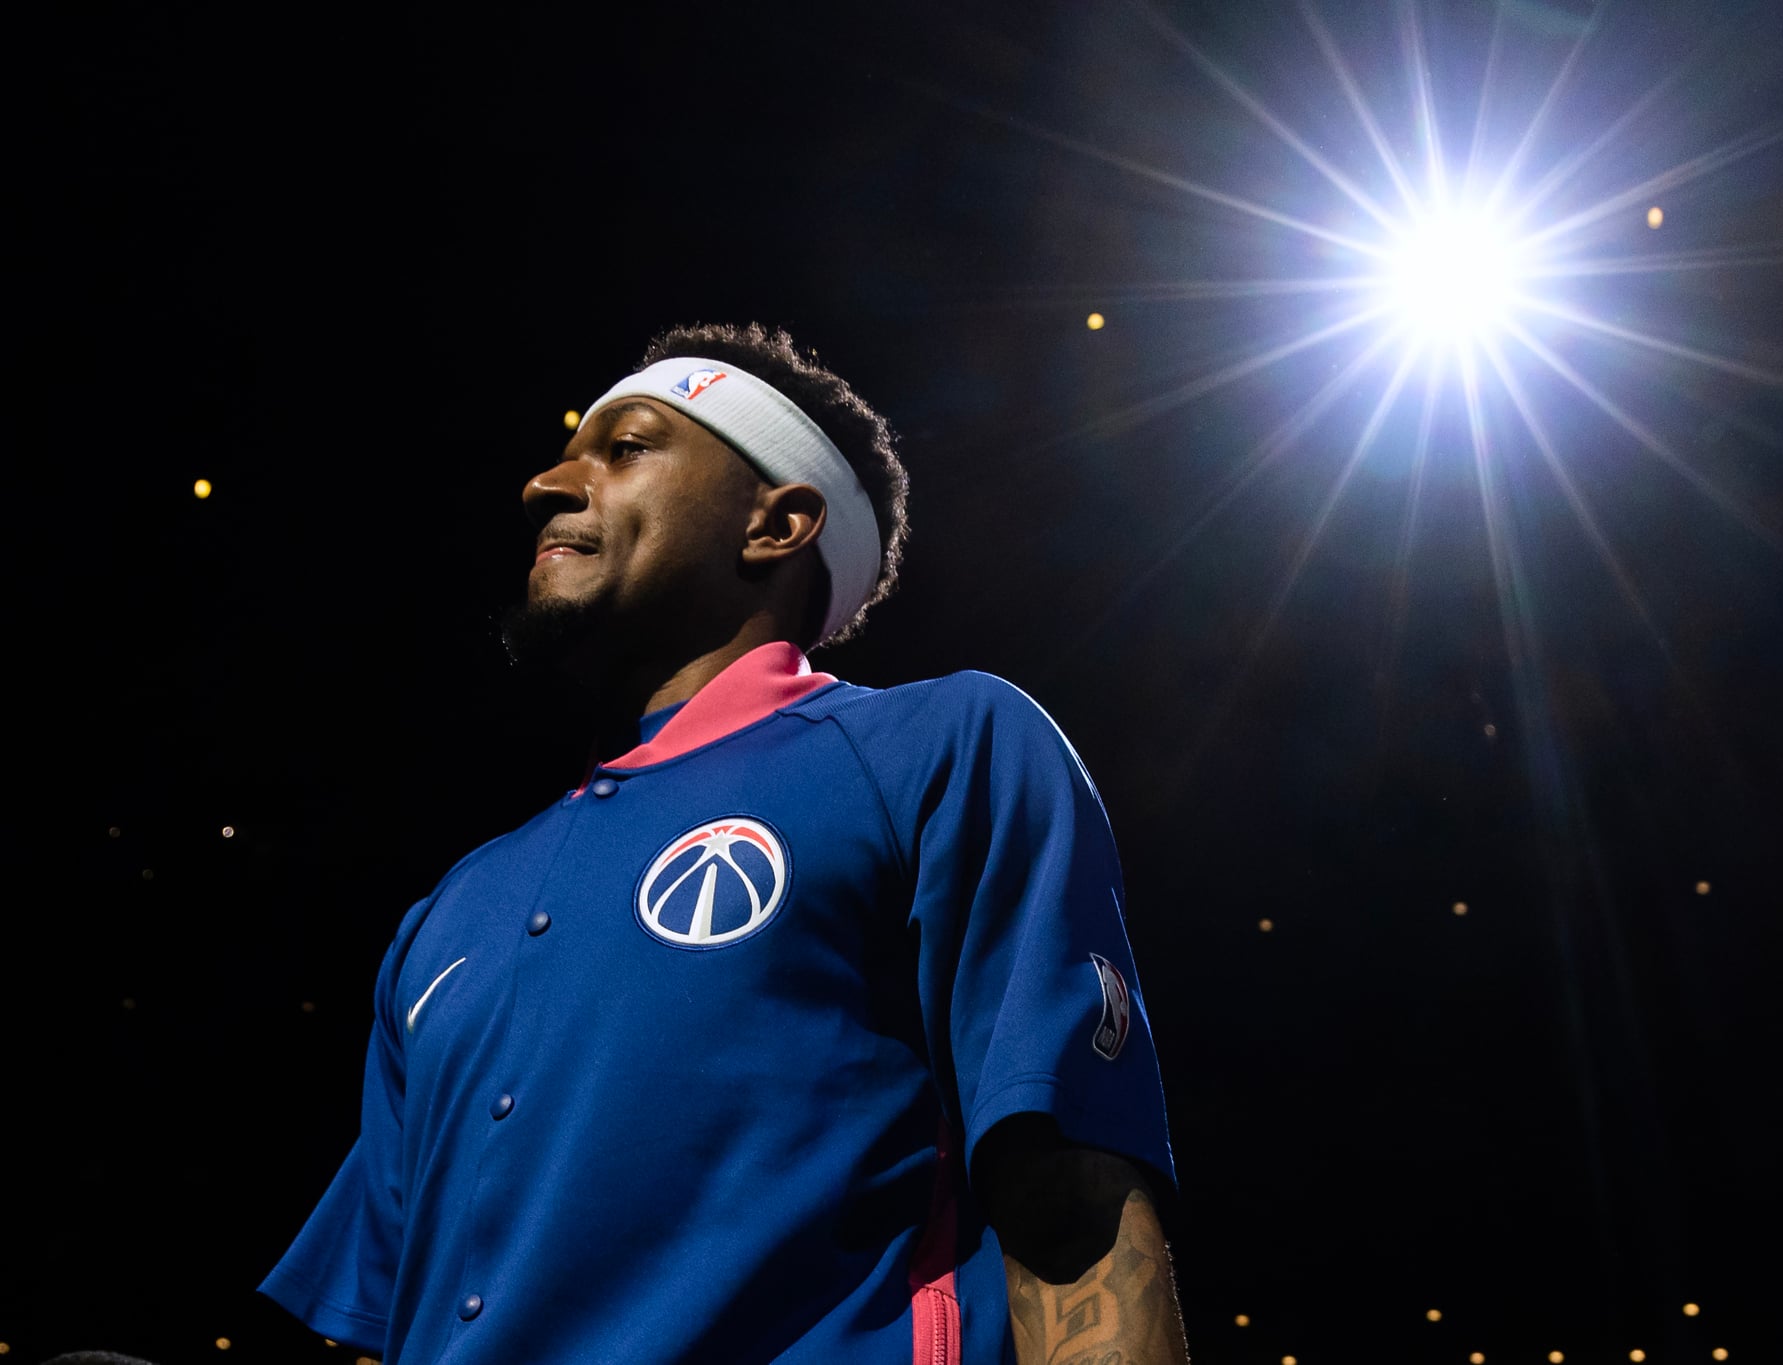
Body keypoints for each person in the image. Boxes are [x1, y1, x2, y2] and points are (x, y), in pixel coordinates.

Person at [259, 322, 1187, 1364]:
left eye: (625, 448)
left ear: (775, 524)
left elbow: (1073, 1219)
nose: (545, 485)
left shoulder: (936, 749)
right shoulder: (451, 910)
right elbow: (383, 1323)